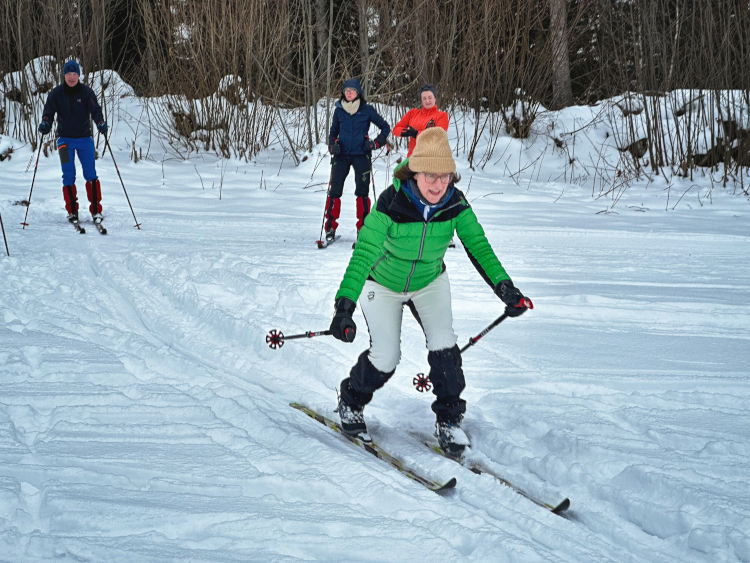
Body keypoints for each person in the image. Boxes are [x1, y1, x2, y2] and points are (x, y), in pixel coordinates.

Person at [328, 127, 530, 457]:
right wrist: (344, 306)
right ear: (414, 172)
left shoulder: (455, 204)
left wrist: (506, 289)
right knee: (386, 357)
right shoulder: (390, 203)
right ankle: (351, 399)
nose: (438, 185)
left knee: (445, 347)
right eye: (430, 176)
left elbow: (478, 246)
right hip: (382, 283)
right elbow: (363, 254)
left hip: (429, 281)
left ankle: (449, 421)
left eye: (445, 177)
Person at [39, 60, 108, 225]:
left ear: (79, 75)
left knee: (91, 174)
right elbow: (48, 112)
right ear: (64, 75)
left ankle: (96, 211)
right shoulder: (56, 94)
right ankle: (72, 211)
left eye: (74, 74)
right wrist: (46, 123)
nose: (71, 77)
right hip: (64, 140)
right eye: (68, 74)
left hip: (85, 139)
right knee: (68, 174)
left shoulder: (86, 92)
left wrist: (100, 123)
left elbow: (95, 110)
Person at [326, 78, 390, 242]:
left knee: (362, 191)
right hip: (341, 155)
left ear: (358, 93)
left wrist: (375, 144)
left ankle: (363, 228)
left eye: (352, 91)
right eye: (346, 91)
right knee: (335, 190)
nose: (349, 93)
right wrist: (333, 146)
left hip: (361, 155)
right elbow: (332, 134)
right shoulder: (339, 110)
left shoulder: (367, 109)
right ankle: (330, 227)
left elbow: (385, 127)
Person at [392, 84, 449, 157]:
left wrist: (416, 133)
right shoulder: (412, 113)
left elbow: (438, 135)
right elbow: (396, 129)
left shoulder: (442, 116)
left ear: (435, 98)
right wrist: (408, 132)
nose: (427, 101)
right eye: (424, 98)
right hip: (412, 158)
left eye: (430, 97)